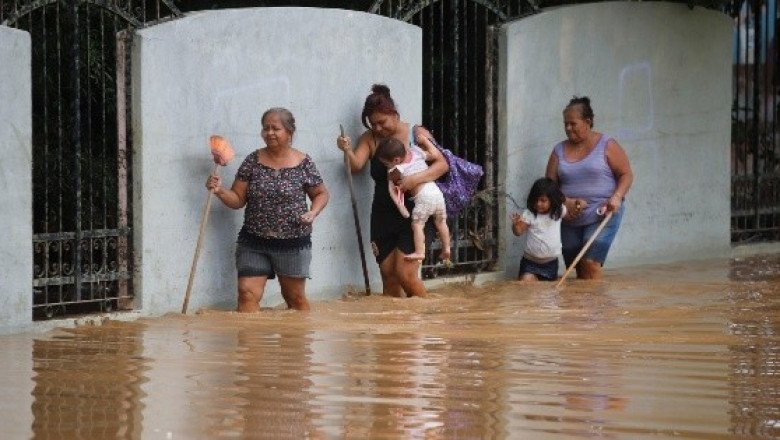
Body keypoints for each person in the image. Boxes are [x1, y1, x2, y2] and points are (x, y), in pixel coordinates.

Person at [206, 107, 329, 312]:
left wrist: (313, 212)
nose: (269, 133)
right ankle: (249, 344)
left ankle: (298, 342)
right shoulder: (251, 162)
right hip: (254, 241)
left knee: (295, 299)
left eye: (275, 128)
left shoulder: (304, 163)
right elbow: (237, 199)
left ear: (290, 132)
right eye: (265, 128)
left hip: (293, 242)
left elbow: (321, 194)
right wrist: (219, 191)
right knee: (246, 294)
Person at [336, 84, 449, 298]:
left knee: (405, 274)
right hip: (383, 214)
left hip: (416, 212)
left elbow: (442, 164)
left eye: (381, 122)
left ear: (394, 114)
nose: (377, 128)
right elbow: (356, 167)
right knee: (389, 277)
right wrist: (347, 150)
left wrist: (414, 179)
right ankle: (395, 331)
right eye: (372, 124)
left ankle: (427, 320)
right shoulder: (370, 138)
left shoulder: (416, 134)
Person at [545, 96, 633, 280]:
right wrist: (566, 202)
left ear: (588, 122)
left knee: (590, 263)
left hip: (602, 213)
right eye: (565, 124)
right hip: (569, 218)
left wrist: (617, 197)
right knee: (577, 269)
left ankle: (600, 307)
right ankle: (583, 308)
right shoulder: (558, 151)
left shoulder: (607, 145)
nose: (568, 128)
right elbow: (549, 187)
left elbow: (626, 174)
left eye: (573, 124)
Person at [375, 136, 451, 263]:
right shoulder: (416, 152)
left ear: (396, 160)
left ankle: (419, 252)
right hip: (437, 194)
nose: (386, 166)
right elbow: (434, 154)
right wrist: (426, 141)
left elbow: (393, 184)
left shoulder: (398, 168)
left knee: (417, 225)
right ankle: (447, 247)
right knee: (441, 222)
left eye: (386, 164)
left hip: (423, 198)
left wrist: (390, 172)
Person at [510, 177, 566, 282]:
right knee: (526, 283)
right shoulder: (530, 214)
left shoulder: (559, 211)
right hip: (530, 263)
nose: (538, 204)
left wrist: (578, 206)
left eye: (543, 200)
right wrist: (515, 225)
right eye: (536, 200)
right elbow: (518, 232)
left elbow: (571, 214)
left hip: (551, 263)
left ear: (553, 200)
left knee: (546, 293)